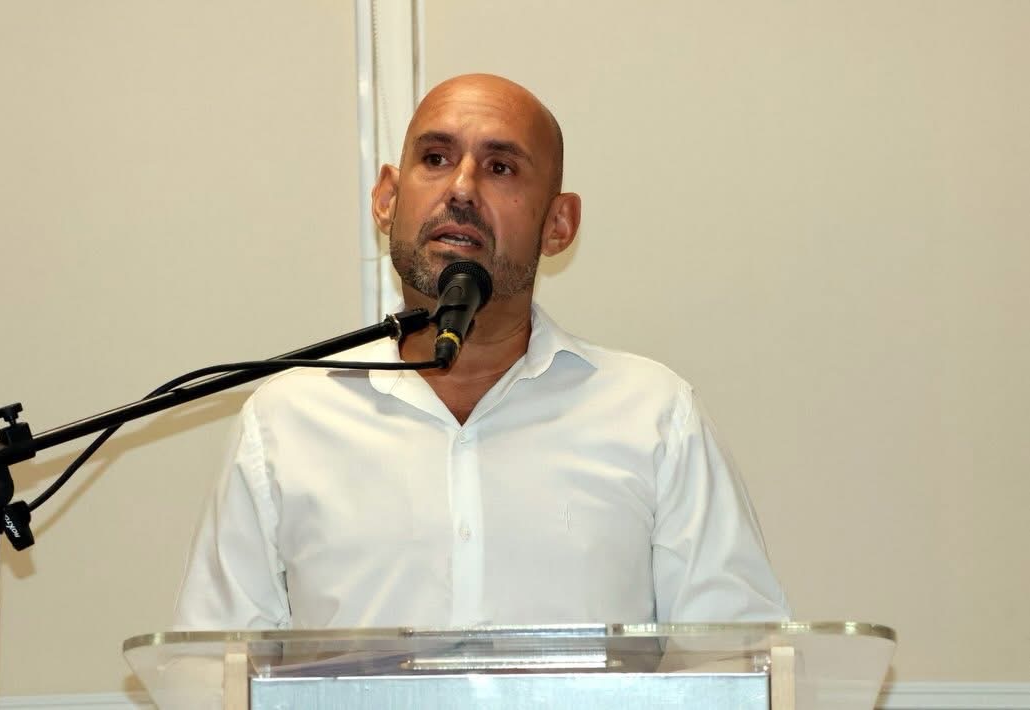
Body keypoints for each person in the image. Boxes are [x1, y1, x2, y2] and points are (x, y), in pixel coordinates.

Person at [173, 74, 789, 630]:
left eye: (500, 168)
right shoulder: (285, 423)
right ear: (386, 199)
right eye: (435, 159)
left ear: (559, 224)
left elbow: (738, 664)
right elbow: (213, 678)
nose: (462, 189)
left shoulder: (655, 417)